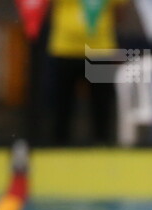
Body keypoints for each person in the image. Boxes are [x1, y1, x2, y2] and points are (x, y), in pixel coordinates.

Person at [47, 0, 126, 145]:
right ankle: (59, 143)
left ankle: (101, 143)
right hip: (65, 48)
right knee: (62, 102)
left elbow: (119, 12)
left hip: (100, 48)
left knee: (101, 103)